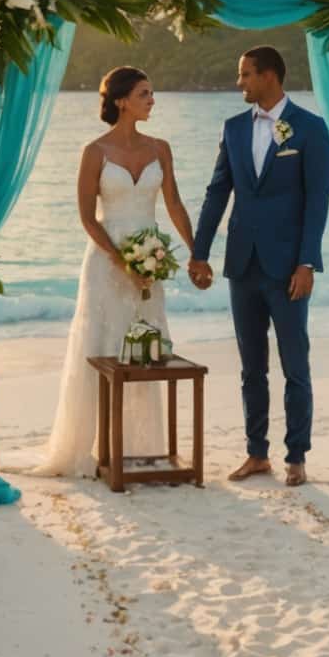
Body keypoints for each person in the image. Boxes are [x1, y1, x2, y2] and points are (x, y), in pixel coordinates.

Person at [31, 66, 198, 478]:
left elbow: (174, 204)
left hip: (152, 259)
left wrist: (197, 252)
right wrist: (123, 260)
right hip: (107, 264)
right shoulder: (95, 152)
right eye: (145, 93)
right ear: (122, 100)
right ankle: (98, 448)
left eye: (152, 93)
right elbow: (88, 218)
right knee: (104, 344)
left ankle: (139, 447)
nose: (152, 100)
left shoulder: (161, 148)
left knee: (145, 349)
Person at [189, 46, 329, 487]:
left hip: (289, 267)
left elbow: (318, 201)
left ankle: (296, 457)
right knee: (251, 366)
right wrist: (200, 252)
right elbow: (218, 193)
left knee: (295, 365)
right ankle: (257, 454)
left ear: (270, 76)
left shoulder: (310, 129)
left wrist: (307, 262)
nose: (240, 83)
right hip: (242, 266)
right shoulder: (233, 129)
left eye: (246, 75)